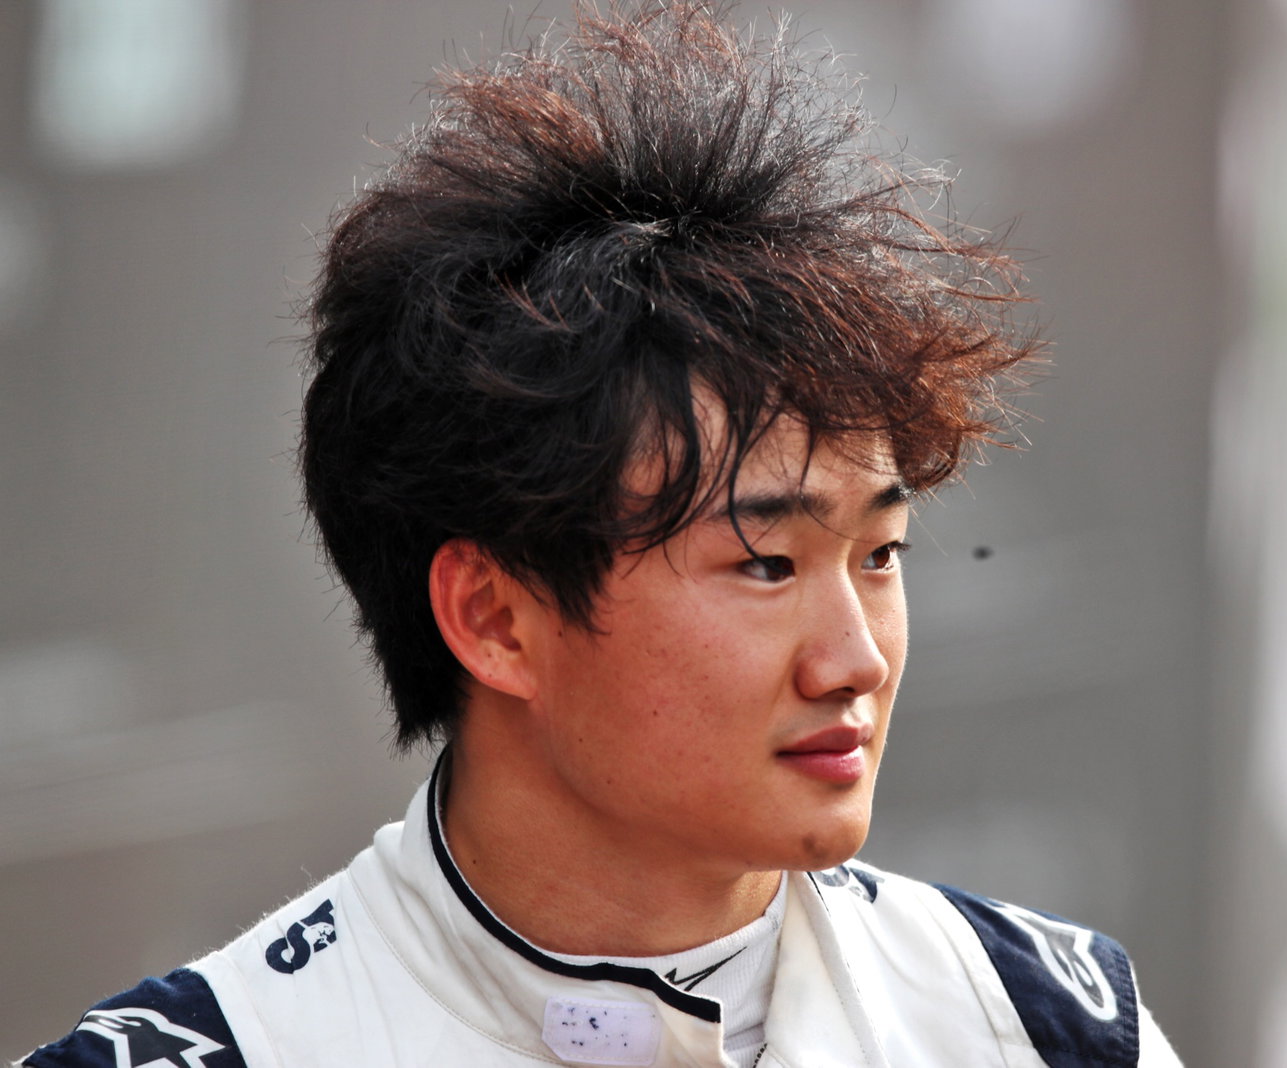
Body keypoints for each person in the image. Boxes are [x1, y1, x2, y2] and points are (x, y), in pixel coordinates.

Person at [20, 4, 1181, 1065]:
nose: (858, 658)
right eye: (766, 562)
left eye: (879, 556)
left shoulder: (1037, 1025)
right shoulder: (228, 1050)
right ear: (493, 617)